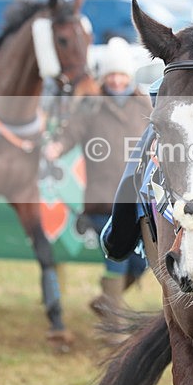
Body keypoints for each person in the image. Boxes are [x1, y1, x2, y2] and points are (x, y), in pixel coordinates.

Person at [44, 37, 152, 323]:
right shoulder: (91, 105)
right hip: (102, 199)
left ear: (129, 75)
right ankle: (114, 325)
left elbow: (158, 135)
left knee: (142, 261)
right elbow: (71, 132)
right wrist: (56, 147)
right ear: (103, 76)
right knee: (118, 258)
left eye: (121, 74)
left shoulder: (144, 103)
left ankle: (106, 301)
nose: (116, 80)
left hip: (139, 199)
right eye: (111, 74)